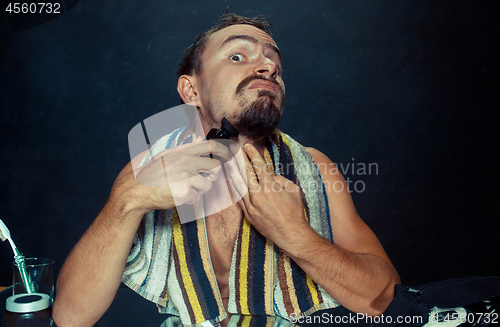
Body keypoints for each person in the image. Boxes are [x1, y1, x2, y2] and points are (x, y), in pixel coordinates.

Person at [53, 13, 400, 327]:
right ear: (191, 90)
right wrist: (127, 201)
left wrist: (296, 234)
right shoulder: (149, 169)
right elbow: (70, 318)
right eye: (238, 56)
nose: (268, 67)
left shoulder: (315, 169)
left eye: (273, 60)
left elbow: (385, 299)